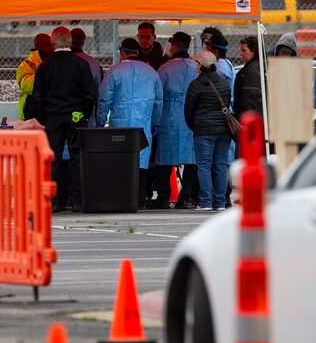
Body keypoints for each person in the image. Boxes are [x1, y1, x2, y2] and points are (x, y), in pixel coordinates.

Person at [33, 26, 97, 212]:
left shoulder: (45, 67)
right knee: (77, 158)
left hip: (53, 117)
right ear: (70, 42)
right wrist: (84, 113)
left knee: (54, 159)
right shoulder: (81, 64)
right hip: (76, 116)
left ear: (52, 43)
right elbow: (90, 93)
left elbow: (37, 97)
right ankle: (77, 200)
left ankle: (54, 201)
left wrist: (44, 117)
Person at [97, 38, 163, 209]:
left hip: (120, 124)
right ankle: (140, 199)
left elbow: (104, 98)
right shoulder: (152, 72)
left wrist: (100, 120)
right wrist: (155, 124)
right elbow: (158, 102)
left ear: (122, 52)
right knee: (141, 163)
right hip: (144, 125)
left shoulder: (114, 71)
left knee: (120, 162)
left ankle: (121, 198)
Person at [153, 31, 198, 209]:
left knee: (164, 157)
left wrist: (155, 120)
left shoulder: (165, 68)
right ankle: (185, 196)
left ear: (175, 46)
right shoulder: (196, 66)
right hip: (190, 114)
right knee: (190, 158)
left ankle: (163, 196)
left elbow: (158, 95)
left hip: (169, 114)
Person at [184, 51, 232, 212]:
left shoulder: (195, 85)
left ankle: (205, 201)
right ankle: (220, 202)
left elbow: (188, 110)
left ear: (201, 66)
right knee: (220, 165)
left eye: (197, 63)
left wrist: (194, 125)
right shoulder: (223, 83)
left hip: (204, 130)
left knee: (204, 165)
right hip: (224, 130)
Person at [16, 33, 54, 120]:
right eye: (48, 44)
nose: (52, 47)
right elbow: (25, 85)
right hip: (31, 112)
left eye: (52, 44)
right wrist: (45, 76)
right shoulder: (26, 64)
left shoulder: (54, 61)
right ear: (38, 46)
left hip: (50, 112)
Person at [234, 35, 263, 120]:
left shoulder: (252, 69)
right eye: (241, 50)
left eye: (244, 50)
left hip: (249, 118)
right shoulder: (254, 67)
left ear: (254, 52)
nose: (241, 53)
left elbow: (251, 96)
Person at [71, 27, 103, 93]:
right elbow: (98, 86)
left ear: (69, 41)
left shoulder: (62, 60)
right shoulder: (93, 62)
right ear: (83, 43)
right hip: (87, 100)